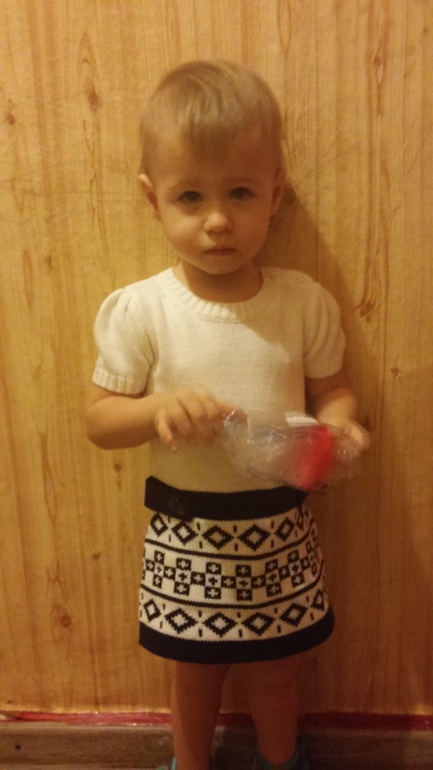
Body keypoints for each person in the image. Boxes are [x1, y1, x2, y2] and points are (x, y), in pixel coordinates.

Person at [86, 60, 369, 770]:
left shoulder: (301, 301)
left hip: (279, 527)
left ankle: (282, 761)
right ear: (152, 200)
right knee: (194, 676)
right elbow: (99, 421)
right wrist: (157, 408)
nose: (217, 220)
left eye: (240, 192)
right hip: (188, 533)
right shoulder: (143, 310)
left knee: (278, 672)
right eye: (191, 196)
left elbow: (333, 389)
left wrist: (342, 428)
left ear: (275, 191)